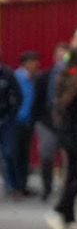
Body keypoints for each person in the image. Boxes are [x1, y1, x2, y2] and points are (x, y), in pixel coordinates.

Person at [43, 47, 77, 229]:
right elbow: (68, 106)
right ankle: (58, 210)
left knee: (73, 176)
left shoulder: (69, 75)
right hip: (76, 136)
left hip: (71, 134)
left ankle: (69, 218)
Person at [0, 50, 39, 197]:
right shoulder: (16, 76)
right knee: (11, 153)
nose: (35, 64)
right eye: (32, 61)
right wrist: (13, 114)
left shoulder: (35, 78)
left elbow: (28, 98)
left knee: (23, 154)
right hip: (13, 121)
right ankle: (12, 185)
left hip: (26, 121)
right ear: (25, 63)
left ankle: (21, 186)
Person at [32, 44, 67, 200]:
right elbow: (37, 100)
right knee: (46, 155)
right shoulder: (44, 77)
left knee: (68, 157)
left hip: (66, 123)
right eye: (58, 56)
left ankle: (66, 189)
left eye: (64, 57)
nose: (61, 60)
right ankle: (47, 187)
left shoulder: (73, 79)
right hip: (46, 122)